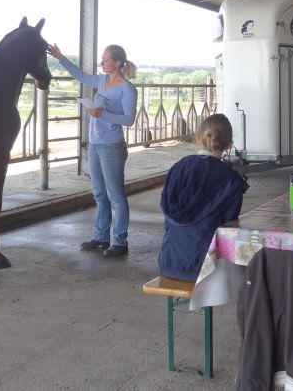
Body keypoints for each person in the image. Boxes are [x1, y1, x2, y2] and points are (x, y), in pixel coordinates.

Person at [47, 43, 137, 257]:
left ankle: (120, 241)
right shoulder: (101, 80)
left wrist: (102, 115)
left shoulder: (127, 88)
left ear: (117, 63)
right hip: (95, 143)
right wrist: (61, 57)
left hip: (111, 145)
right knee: (99, 193)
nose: (102, 63)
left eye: (106, 60)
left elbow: (129, 119)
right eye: (102, 60)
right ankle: (101, 236)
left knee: (116, 195)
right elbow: (79, 75)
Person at [158, 113, 248, 281]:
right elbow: (229, 224)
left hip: (168, 263)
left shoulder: (177, 169)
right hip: (208, 267)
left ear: (198, 139)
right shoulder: (230, 180)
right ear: (229, 145)